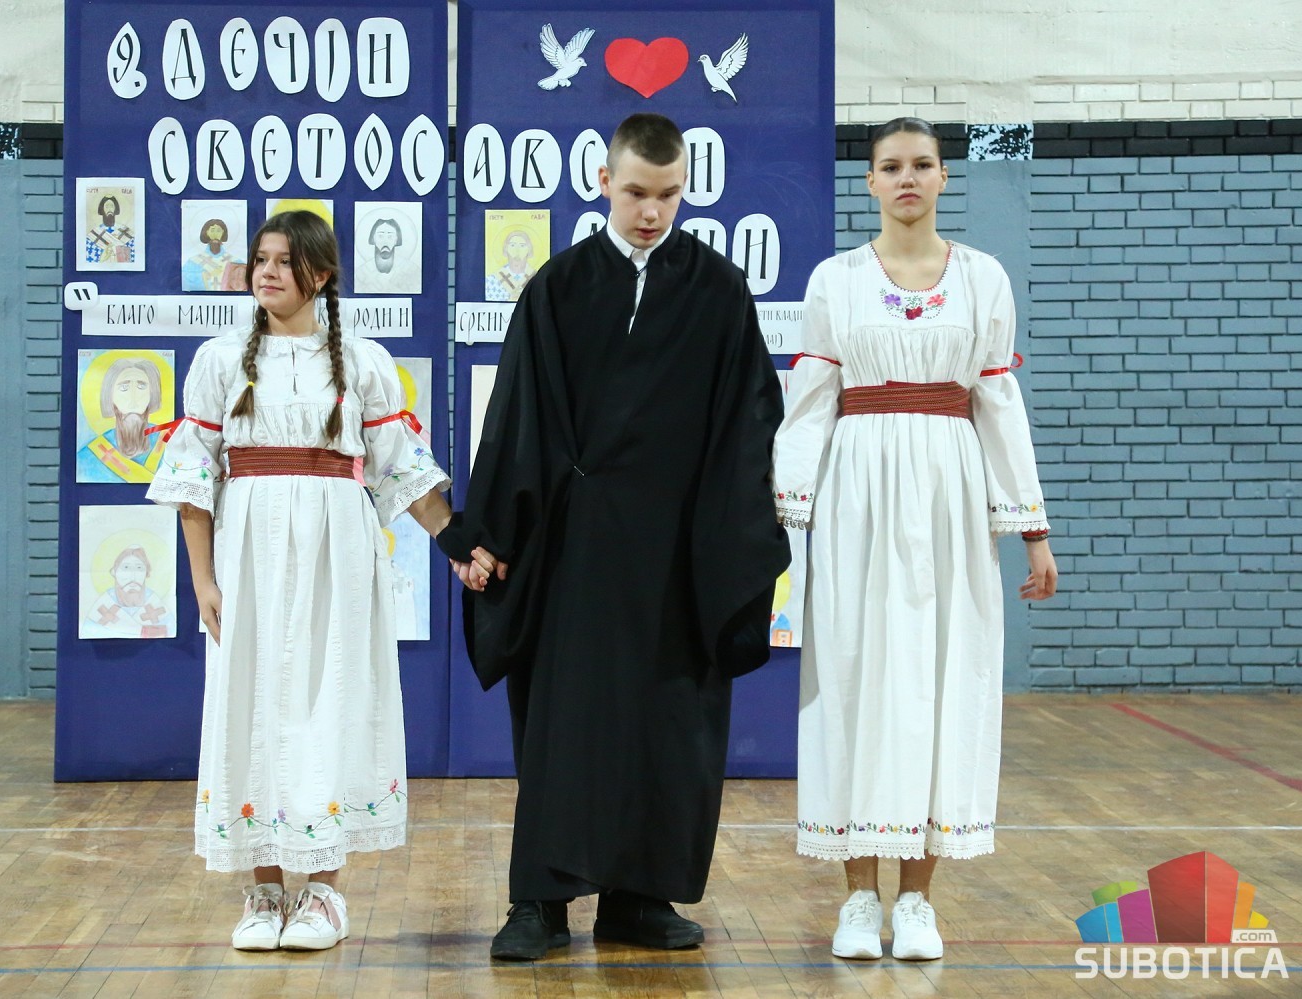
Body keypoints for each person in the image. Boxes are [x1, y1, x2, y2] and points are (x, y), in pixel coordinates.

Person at [435, 112, 790, 961]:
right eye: (636, 192)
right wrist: (490, 533)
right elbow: (516, 418)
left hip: (678, 548)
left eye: (669, 195)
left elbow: (748, 422)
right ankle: (540, 900)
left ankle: (640, 896)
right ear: (603, 180)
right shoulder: (557, 288)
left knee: (668, 720)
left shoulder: (718, 291)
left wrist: (733, 535)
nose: (651, 211)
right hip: (574, 546)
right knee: (564, 720)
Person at [773, 117, 1058, 963]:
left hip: (950, 497)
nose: (907, 178)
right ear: (869, 181)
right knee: (853, 676)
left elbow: (998, 404)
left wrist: (1033, 530)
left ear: (942, 177)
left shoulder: (982, 278)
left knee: (943, 678)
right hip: (856, 495)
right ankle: (859, 895)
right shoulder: (835, 280)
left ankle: (919, 900)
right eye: (891, 166)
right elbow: (809, 405)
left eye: (922, 165)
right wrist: (785, 520)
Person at [146, 210, 452, 952]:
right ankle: (261, 889)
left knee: (329, 702)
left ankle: (322, 892)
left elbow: (403, 473)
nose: (268, 272)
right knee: (250, 703)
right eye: (261, 259)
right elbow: (194, 482)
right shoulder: (221, 360)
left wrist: (461, 547)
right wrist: (203, 579)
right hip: (248, 555)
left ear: (321, 272)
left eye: (284, 261)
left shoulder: (363, 362)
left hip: (337, 556)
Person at [485, 227, 537, 302]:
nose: (517, 250)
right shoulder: (492, 281)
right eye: (512, 245)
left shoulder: (537, 277)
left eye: (522, 245)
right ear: (506, 248)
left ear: (529, 249)